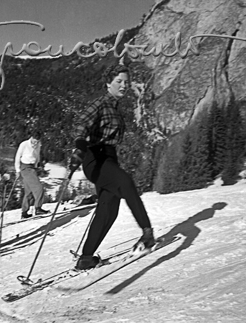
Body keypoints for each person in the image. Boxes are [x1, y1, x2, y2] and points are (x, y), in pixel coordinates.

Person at [70, 64, 155, 270]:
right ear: (108, 83)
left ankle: (86, 258)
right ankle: (147, 234)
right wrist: (80, 146)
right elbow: (81, 124)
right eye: (119, 81)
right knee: (125, 182)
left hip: (108, 158)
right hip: (95, 157)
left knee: (109, 209)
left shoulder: (116, 106)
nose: (124, 85)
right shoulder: (101, 103)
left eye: (126, 82)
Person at [15, 130, 49, 218]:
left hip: (32, 167)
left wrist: (37, 165)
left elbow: (37, 155)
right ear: (31, 138)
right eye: (34, 140)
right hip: (25, 167)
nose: (36, 142)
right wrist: (17, 170)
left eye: (37, 141)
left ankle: (24, 212)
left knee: (29, 191)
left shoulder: (38, 145)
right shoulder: (24, 144)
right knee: (38, 187)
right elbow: (18, 156)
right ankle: (38, 208)